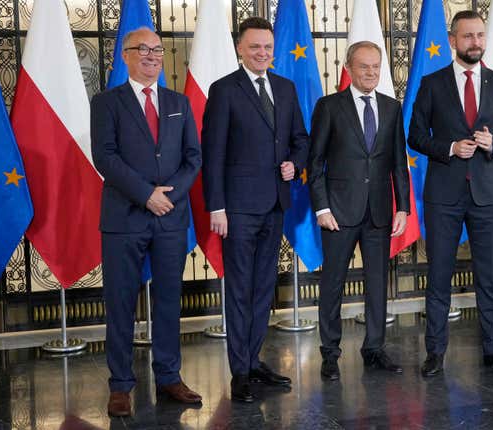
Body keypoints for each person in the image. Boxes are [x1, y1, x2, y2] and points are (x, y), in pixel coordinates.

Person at [91, 27, 203, 417]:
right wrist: (146, 194)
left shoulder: (179, 102)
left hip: (170, 218)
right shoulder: (107, 102)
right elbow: (104, 157)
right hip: (125, 219)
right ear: (126, 55)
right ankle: (121, 385)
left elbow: (193, 157)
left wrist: (168, 197)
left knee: (169, 301)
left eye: (158, 49)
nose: (153, 56)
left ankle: (169, 376)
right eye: (144, 49)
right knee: (120, 302)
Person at [407, 11, 493, 377]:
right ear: (453, 39)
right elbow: (415, 136)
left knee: (489, 278)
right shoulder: (432, 83)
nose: (475, 42)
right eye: (468, 36)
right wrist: (449, 148)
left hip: (488, 195)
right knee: (439, 275)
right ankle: (435, 354)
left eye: (480, 35)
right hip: (444, 194)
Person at [201, 17, 309, 402]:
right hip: (238, 210)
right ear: (239, 49)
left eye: (267, 47)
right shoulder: (224, 90)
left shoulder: (285, 87)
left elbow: (301, 139)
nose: (262, 53)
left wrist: (295, 164)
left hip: (275, 204)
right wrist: (217, 206)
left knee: (264, 289)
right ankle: (240, 372)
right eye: (254, 47)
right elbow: (212, 155)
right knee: (240, 290)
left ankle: (254, 360)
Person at [308, 41, 410, 381]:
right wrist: (321, 207)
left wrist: (404, 208)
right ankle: (330, 353)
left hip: (380, 211)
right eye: (364, 67)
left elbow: (398, 162)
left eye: (375, 67)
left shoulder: (392, 108)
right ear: (349, 69)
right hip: (337, 211)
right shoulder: (329, 106)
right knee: (333, 283)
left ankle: (374, 349)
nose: (370, 73)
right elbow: (316, 162)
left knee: (378, 282)